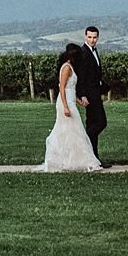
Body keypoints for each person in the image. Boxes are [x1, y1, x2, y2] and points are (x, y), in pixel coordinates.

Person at [36, 43, 102, 172]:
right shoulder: (66, 68)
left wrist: (78, 101)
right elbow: (62, 88)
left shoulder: (70, 67)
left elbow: (70, 89)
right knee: (74, 129)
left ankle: (72, 159)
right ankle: (80, 159)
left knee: (71, 130)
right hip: (65, 103)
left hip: (71, 101)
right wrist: (66, 107)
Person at [75, 25, 110, 164]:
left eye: (95, 37)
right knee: (101, 123)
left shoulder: (94, 51)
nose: (92, 40)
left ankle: (94, 160)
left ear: (98, 38)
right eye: (90, 37)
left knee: (92, 124)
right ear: (85, 36)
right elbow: (81, 77)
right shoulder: (84, 52)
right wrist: (82, 95)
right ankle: (84, 140)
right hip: (90, 96)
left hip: (95, 93)